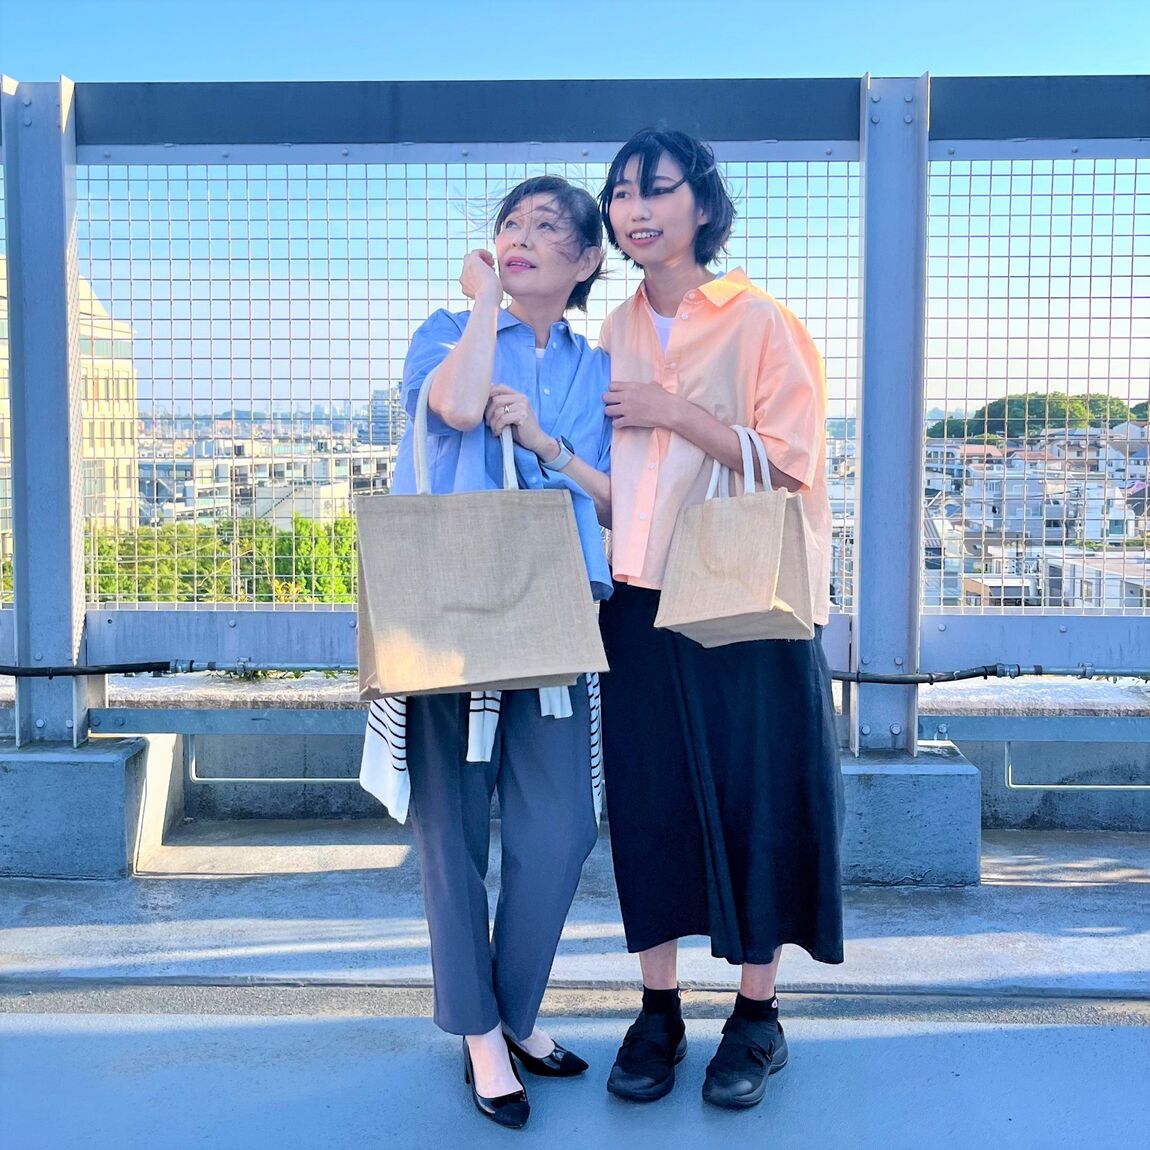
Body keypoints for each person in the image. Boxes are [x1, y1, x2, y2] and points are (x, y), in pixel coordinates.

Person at [595, 129, 844, 1110]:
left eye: (656, 189)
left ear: (703, 204)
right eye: (621, 193)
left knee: (759, 797)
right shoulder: (610, 328)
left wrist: (674, 412)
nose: (635, 208)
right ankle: (657, 1009)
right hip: (639, 596)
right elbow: (604, 476)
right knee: (647, 802)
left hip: (747, 591)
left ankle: (756, 1013)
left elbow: (793, 461)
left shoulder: (759, 319)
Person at [359, 176, 612, 1130]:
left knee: (562, 828)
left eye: (547, 226)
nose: (521, 237)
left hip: (553, 608)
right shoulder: (447, 329)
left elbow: (608, 490)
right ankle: (482, 1034)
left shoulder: (593, 365)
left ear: (588, 259)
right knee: (453, 832)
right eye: (510, 224)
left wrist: (541, 439)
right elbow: (458, 410)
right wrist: (483, 305)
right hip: (449, 610)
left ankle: (511, 1010)